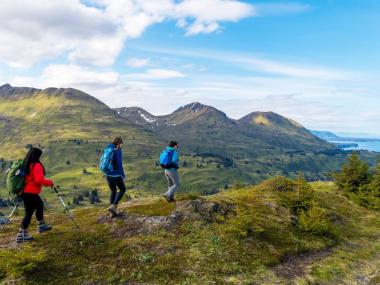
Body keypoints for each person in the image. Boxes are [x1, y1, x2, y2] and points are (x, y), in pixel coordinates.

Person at [16, 147, 54, 243]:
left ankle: (41, 225)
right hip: (31, 192)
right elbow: (39, 180)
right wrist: (50, 182)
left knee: (39, 205)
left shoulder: (26, 164)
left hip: (25, 192)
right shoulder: (36, 165)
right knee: (29, 212)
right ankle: (22, 234)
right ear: (37, 155)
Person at [105, 137, 126, 217]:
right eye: (121, 144)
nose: (122, 145)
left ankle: (111, 213)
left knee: (113, 191)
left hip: (108, 175)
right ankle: (113, 206)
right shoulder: (118, 151)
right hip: (116, 175)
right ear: (118, 143)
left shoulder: (108, 149)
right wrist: (123, 176)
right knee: (123, 189)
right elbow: (119, 165)